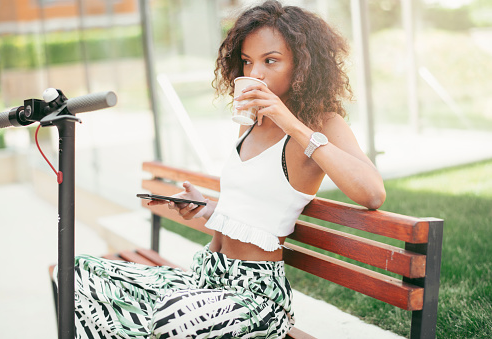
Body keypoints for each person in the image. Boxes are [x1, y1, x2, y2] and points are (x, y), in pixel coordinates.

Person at [63, 1, 386, 338]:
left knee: (167, 321)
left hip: (253, 295)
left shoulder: (322, 124)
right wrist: (203, 206)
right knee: (79, 272)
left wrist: (291, 123)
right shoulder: (249, 124)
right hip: (207, 275)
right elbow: (251, 212)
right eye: (247, 62)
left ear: (303, 65)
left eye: (270, 61)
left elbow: (372, 192)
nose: (255, 74)